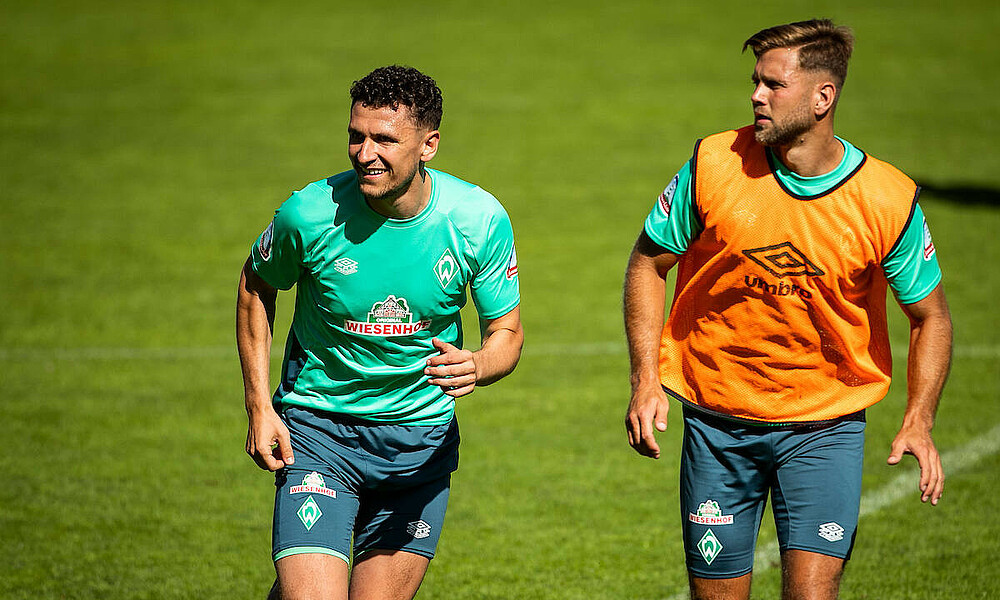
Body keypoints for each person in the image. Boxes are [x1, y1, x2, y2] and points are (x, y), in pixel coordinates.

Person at [622, 19, 952, 600]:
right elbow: (647, 264)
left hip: (825, 428)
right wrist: (645, 377)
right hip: (718, 421)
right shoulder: (713, 163)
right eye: (755, 81)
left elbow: (930, 316)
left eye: (773, 84)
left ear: (823, 97)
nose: (756, 95)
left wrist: (919, 419)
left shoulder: (886, 198)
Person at [236, 65, 523, 600]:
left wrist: (479, 364)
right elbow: (257, 284)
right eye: (356, 136)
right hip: (319, 432)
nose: (364, 152)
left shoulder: (477, 220)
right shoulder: (309, 214)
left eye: (384, 139)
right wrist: (258, 403)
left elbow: (507, 332)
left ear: (428, 145)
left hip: (419, 447)